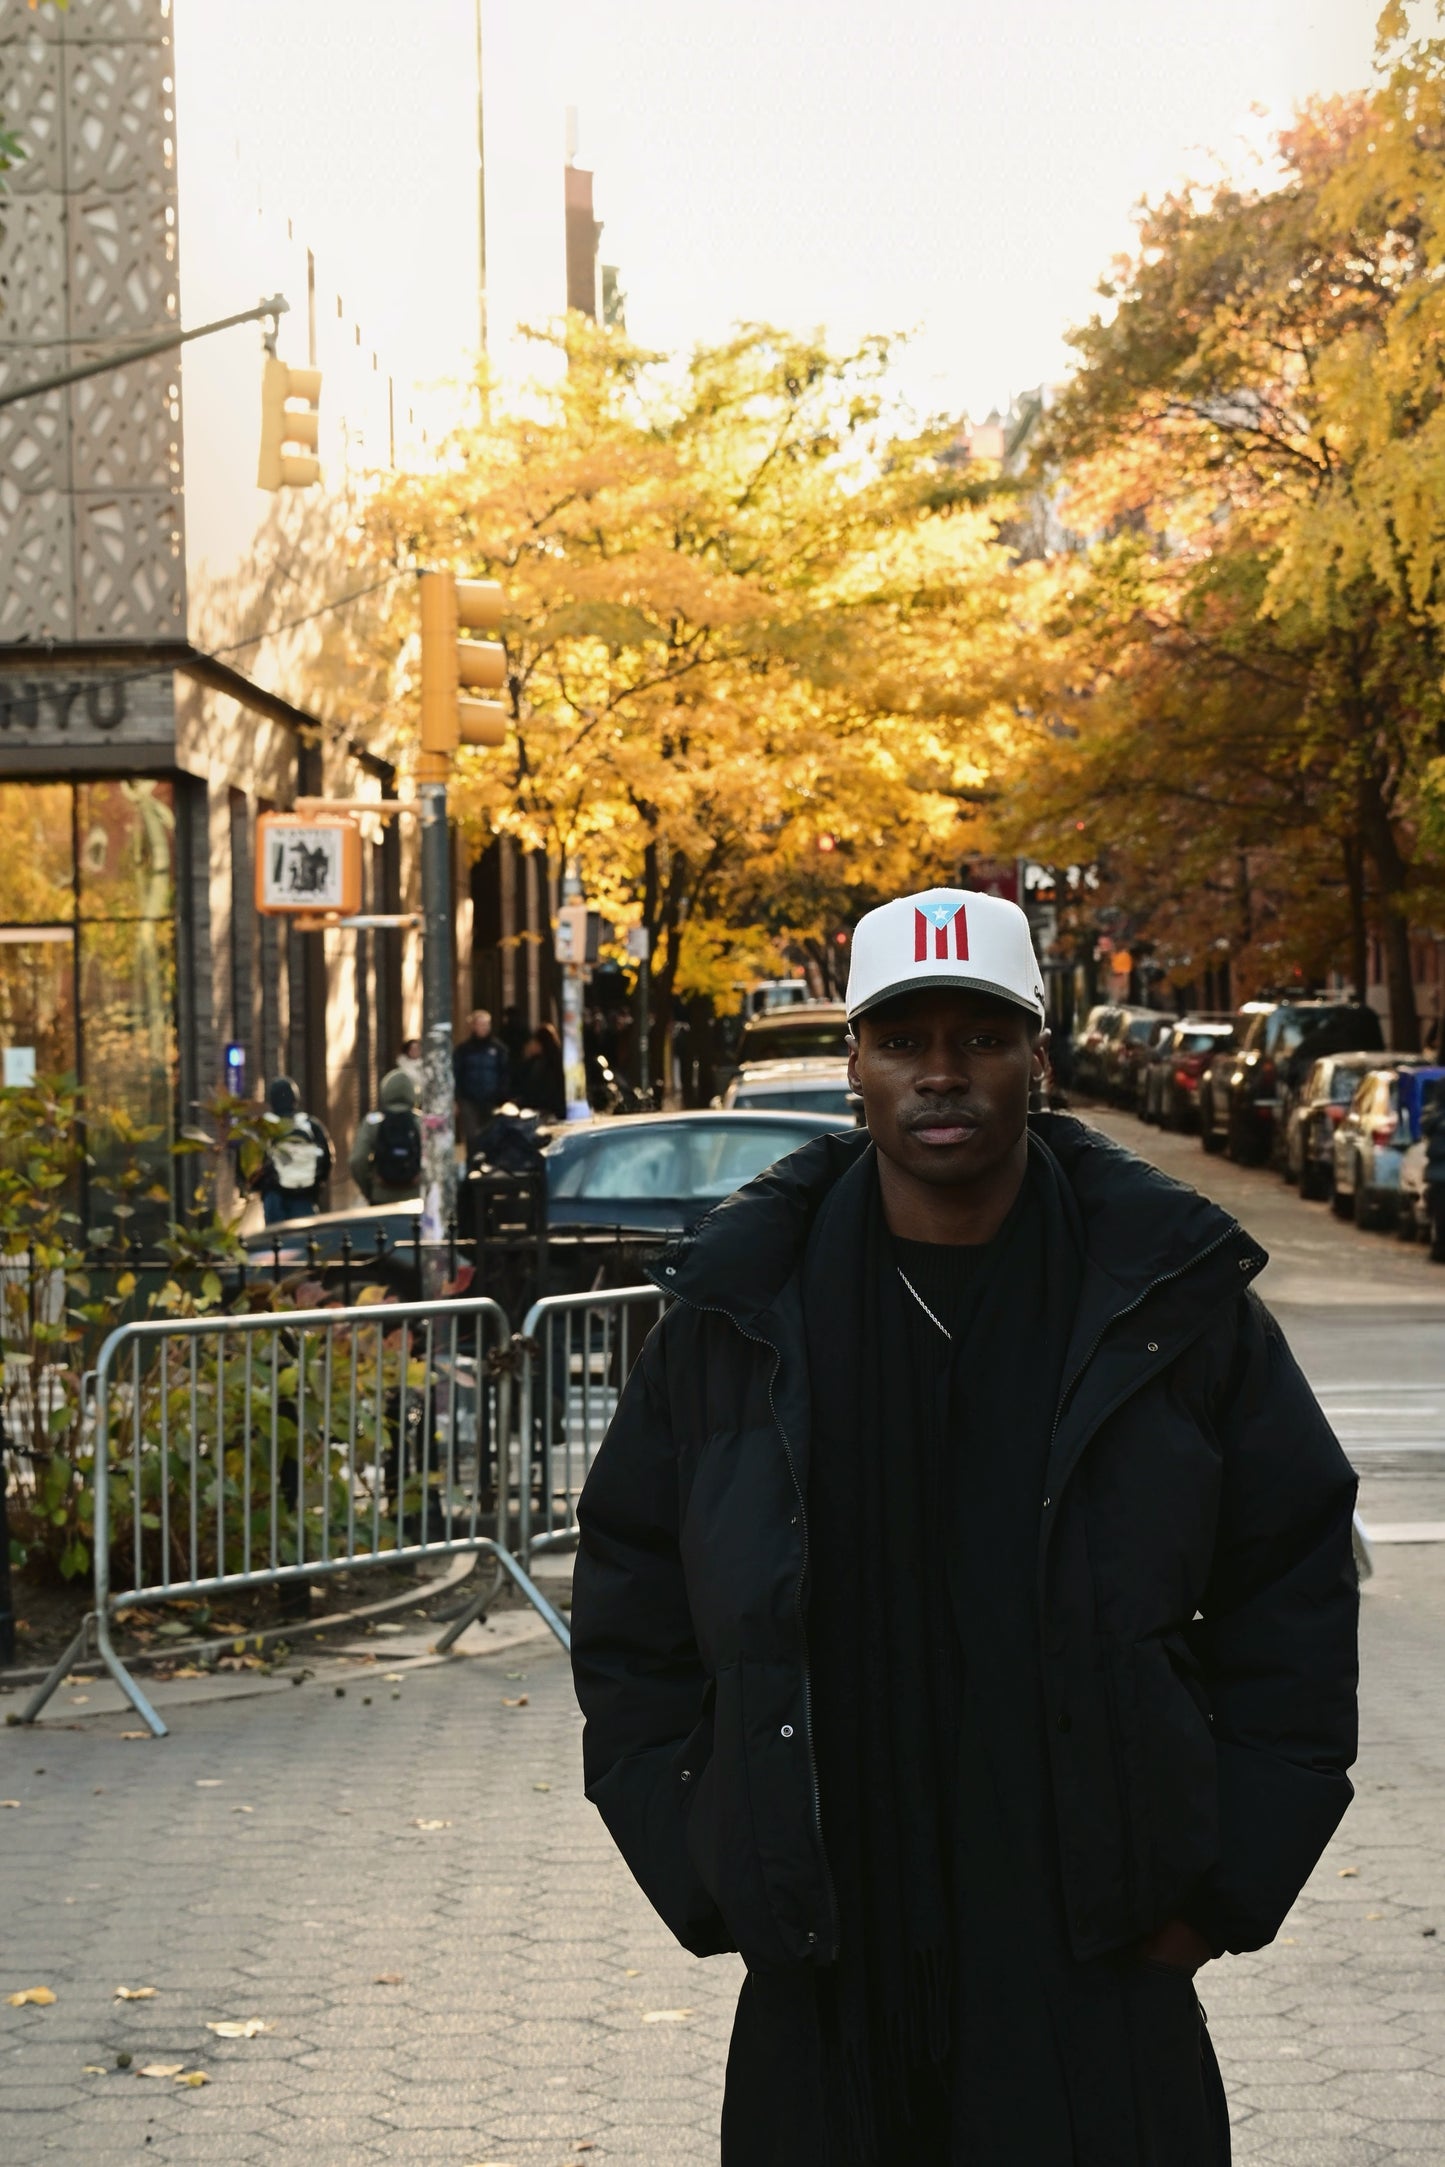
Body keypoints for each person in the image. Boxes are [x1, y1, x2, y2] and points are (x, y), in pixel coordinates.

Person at [570, 885, 1359, 2167]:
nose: (943, 1074)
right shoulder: (733, 1320)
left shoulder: (1166, 1301)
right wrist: (704, 1856)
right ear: (855, 1068)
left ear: (1036, 1061)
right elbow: (628, 1607)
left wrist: (1218, 1886)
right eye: (903, 1040)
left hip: (1095, 1970)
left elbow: (1296, 1585)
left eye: (982, 1038)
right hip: (829, 1976)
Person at [254, 1076, 333, 1226]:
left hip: (274, 1195)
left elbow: (250, 1163)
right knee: (305, 1239)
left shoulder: (264, 1127)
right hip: (304, 1195)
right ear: (295, 1099)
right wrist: (316, 1184)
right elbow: (327, 1158)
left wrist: (259, 1187)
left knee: (276, 1241)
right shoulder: (310, 1125)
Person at [349, 1066, 424, 1204]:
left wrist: (369, 1190)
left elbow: (357, 1160)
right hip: (415, 1196)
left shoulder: (372, 1121)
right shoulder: (421, 1121)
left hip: (382, 1195)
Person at [453, 1009, 511, 1156]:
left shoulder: (498, 1049)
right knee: (472, 1136)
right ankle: (472, 1165)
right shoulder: (463, 1050)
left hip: (491, 1099)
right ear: (473, 1026)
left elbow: (504, 1073)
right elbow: (457, 1073)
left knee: (490, 1134)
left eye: (485, 1024)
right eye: (480, 1024)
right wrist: (457, 1098)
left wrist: (502, 1096)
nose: (483, 1028)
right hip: (469, 1099)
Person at [514, 1021, 567, 1121]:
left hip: (544, 1109)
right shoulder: (557, 1060)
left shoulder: (540, 1063)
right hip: (552, 1109)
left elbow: (534, 1087)